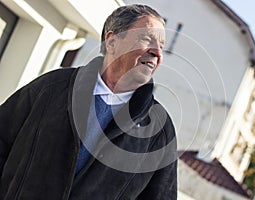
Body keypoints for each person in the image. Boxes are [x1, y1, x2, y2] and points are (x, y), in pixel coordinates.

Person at [0, 4, 177, 200]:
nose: (157, 53)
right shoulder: (52, 88)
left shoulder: (160, 131)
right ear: (111, 42)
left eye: (161, 46)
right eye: (147, 39)